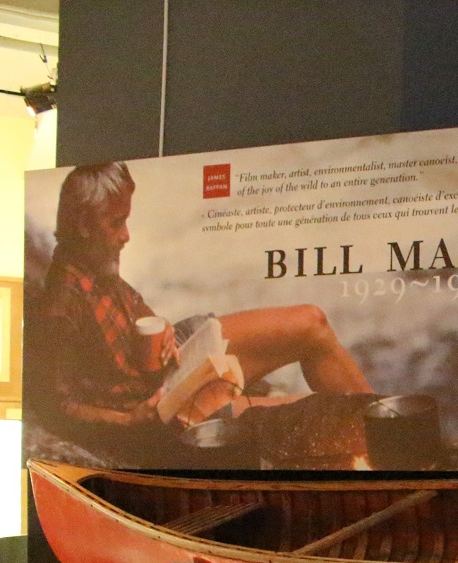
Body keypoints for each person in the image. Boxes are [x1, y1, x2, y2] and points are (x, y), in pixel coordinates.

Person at [36, 161, 372, 430]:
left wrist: (164, 330)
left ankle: (389, 418)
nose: (126, 235)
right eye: (116, 223)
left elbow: (137, 311)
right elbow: (58, 407)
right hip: (162, 408)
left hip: (173, 366)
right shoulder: (61, 303)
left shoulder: (94, 261)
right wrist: (130, 421)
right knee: (308, 410)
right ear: (83, 225)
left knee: (312, 321)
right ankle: (387, 430)